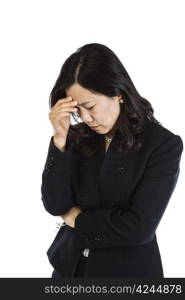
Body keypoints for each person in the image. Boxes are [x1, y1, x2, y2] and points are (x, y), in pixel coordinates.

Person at [41, 43, 183, 278]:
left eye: (90, 106)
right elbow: (55, 204)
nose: (86, 118)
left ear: (118, 93)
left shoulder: (162, 145)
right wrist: (59, 140)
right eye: (77, 111)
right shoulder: (75, 137)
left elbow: (139, 228)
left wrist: (77, 219)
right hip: (70, 269)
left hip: (127, 275)